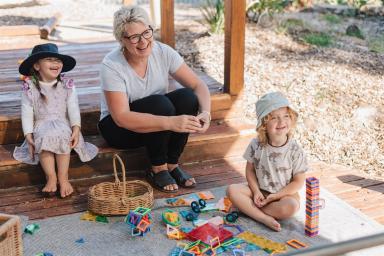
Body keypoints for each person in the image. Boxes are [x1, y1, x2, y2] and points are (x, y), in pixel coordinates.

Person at [98, 6, 211, 193]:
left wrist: (206, 112)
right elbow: (121, 117)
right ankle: (157, 168)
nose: (143, 42)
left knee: (187, 98)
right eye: (134, 37)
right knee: (160, 104)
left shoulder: (163, 51)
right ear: (121, 40)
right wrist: (170, 123)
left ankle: (172, 164)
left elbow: (198, 85)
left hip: (157, 120)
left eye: (146, 33)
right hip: (119, 129)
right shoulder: (111, 65)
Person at [13, 43, 98, 198]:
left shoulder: (66, 85)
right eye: (50, 60)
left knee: (62, 136)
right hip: (41, 124)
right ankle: (50, 176)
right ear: (37, 66)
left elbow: (73, 108)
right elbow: (26, 113)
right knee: (44, 138)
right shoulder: (29, 87)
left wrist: (76, 128)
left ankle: (63, 178)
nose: (56, 63)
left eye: (58, 60)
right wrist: (28, 135)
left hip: (62, 123)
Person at [226, 92, 308, 231]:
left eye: (285, 116)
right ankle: (263, 218)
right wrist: (256, 191)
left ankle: (250, 209)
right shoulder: (256, 144)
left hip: (284, 195)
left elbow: (298, 182)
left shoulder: (295, 150)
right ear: (264, 124)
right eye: (274, 118)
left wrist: (276, 196)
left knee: (291, 207)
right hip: (260, 191)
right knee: (232, 190)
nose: (281, 122)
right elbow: (250, 171)